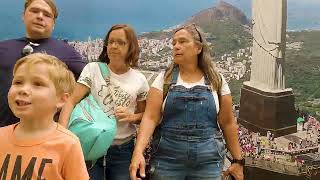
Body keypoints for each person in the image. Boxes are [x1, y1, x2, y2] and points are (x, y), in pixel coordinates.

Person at [130, 24, 244, 180]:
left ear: (198, 48)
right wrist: (138, 152)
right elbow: (150, 118)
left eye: (182, 41)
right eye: (174, 43)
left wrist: (238, 161)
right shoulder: (164, 80)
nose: (176, 46)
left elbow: (228, 123)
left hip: (208, 163)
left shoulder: (217, 81)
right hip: (167, 161)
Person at [59, 24, 149, 180]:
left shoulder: (139, 80)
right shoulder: (93, 69)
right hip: (90, 144)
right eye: (111, 41)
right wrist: (61, 136)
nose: (114, 46)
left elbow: (146, 116)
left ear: (131, 47)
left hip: (122, 149)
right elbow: (70, 102)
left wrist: (131, 117)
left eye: (120, 42)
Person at [0, 53, 89, 180]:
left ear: (61, 99)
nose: (23, 89)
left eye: (37, 84)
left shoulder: (68, 144)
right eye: (18, 82)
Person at [0, 0, 87, 127]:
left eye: (47, 15)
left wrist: (66, 109)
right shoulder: (3, 48)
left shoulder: (66, 50)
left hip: (47, 132)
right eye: (34, 11)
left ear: (53, 23)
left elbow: (89, 79)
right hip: (4, 129)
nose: (40, 16)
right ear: (23, 16)